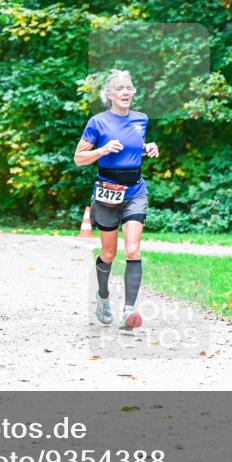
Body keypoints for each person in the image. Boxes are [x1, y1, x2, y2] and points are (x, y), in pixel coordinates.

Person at [74, 69, 159, 330]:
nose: (126, 92)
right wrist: (103, 149)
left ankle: (129, 312)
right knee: (109, 253)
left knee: (133, 249)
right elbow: (79, 158)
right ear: (109, 94)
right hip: (107, 192)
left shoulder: (141, 119)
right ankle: (102, 296)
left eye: (129, 88)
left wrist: (148, 148)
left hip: (135, 191)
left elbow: (135, 145)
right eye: (120, 88)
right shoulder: (97, 122)